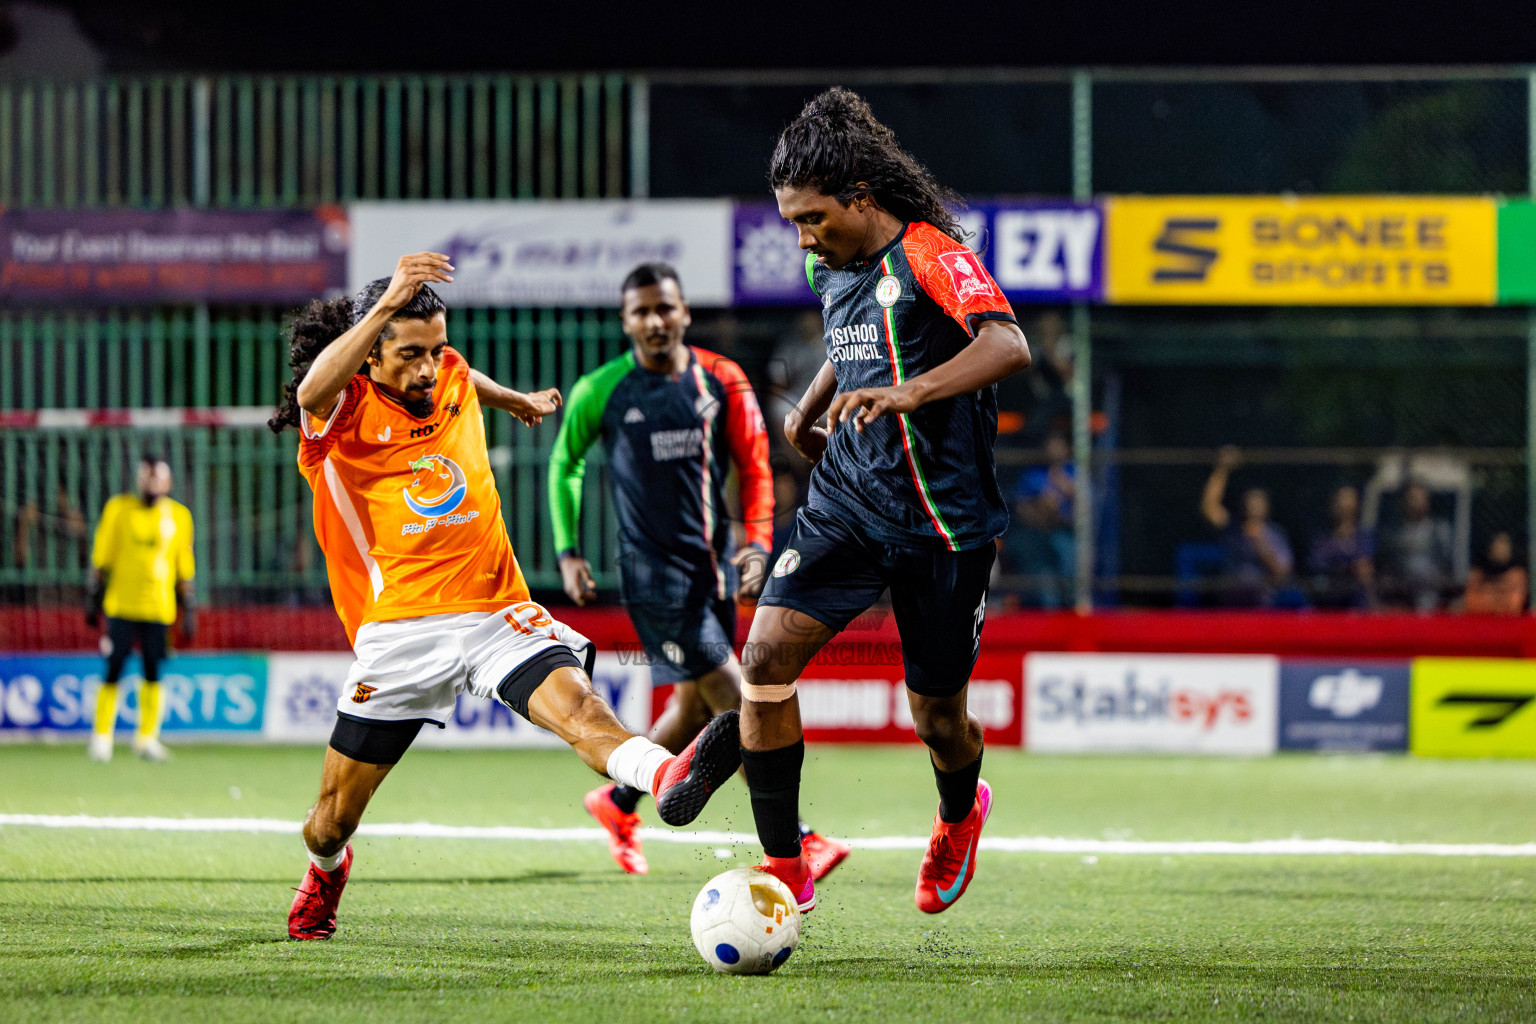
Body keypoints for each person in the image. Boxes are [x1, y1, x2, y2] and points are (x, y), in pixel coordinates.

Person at [267, 253, 742, 941]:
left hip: (496, 611)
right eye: (408, 356)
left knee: (582, 709)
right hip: (401, 629)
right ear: (370, 354)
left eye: (435, 350)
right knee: (329, 819)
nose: (429, 369)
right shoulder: (338, 416)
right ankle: (327, 869)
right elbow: (312, 390)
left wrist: (512, 398)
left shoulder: (449, 371)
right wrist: (383, 306)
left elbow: (463, 375)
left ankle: (665, 777)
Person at [742, 88, 1031, 915]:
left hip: (945, 522)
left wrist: (912, 393)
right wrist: (808, 403)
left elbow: (1007, 344)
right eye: (791, 220)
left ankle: (956, 814)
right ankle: (787, 867)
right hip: (847, 501)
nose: (801, 236)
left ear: (861, 199)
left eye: (812, 217)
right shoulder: (824, 262)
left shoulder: (933, 254)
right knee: (763, 664)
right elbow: (852, 334)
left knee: (939, 718)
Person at [549, 262, 849, 880]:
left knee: (691, 711)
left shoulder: (723, 380)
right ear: (627, 321)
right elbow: (564, 466)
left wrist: (757, 545)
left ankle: (617, 800)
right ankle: (797, 837)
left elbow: (756, 466)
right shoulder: (600, 389)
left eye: (666, 308)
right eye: (642, 312)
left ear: (684, 312)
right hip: (650, 577)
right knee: (738, 696)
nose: (655, 320)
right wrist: (568, 550)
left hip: (711, 571)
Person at [85, 455, 195, 763]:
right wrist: (93, 598)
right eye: (147, 477)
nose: (152, 483)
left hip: (159, 607)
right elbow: (102, 555)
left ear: (168, 482)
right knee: (114, 667)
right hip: (121, 604)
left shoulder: (179, 516)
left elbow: (183, 564)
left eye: (157, 477)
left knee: (153, 671)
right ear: (138, 479)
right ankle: (101, 736)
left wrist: (190, 607)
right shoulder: (118, 510)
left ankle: (146, 738)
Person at [1199, 446, 1294, 607]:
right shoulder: (1233, 527)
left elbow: (1282, 573)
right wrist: (1222, 469)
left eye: (1259, 501)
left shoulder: (1276, 533)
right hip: (1233, 595)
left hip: (1267, 599)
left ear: (1267, 506)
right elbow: (1209, 507)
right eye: (1251, 501)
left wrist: (1259, 542)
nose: (1254, 505)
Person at [1012, 433, 1076, 609]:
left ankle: (1071, 614)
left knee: (1071, 580)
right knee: (1046, 589)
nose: (1053, 450)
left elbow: (1085, 507)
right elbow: (1021, 508)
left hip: (1067, 535)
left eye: (1058, 445)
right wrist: (1042, 510)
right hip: (1038, 536)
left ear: (1067, 449)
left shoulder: (1075, 472)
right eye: (1050, 445)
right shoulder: (1033, 475)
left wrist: (1067, 490)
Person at [1379, 481, 1455, 612]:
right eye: (1413, 498)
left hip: (1431, 587)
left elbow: (1447, 563)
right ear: (1404, 501)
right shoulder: (1393, 532)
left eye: (1422, 498)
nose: (1418, 503)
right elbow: (1387, 563)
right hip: (1401, 588)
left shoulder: (1440, 530)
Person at [1307, 485, 1375, 609]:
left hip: (1357, 600)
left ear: (1356, 505)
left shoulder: (1364, 537)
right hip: (1328, 599)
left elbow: (1364, 569)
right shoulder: (1322, 539)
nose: (1342, 504)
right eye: (1339, 499)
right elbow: (1315, 566)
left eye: (1347, 499)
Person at [1463, 531, 1526, 615]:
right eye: (1498, 545)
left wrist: (1490, 589)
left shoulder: (1516, 570)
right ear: (1491, 547)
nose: (1501, 549)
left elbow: (1515, 604)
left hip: (1509, 616)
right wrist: (1499, 591)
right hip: (1482, 613)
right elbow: (1472, 601)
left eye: (1504, 546)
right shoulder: (1480, 568)